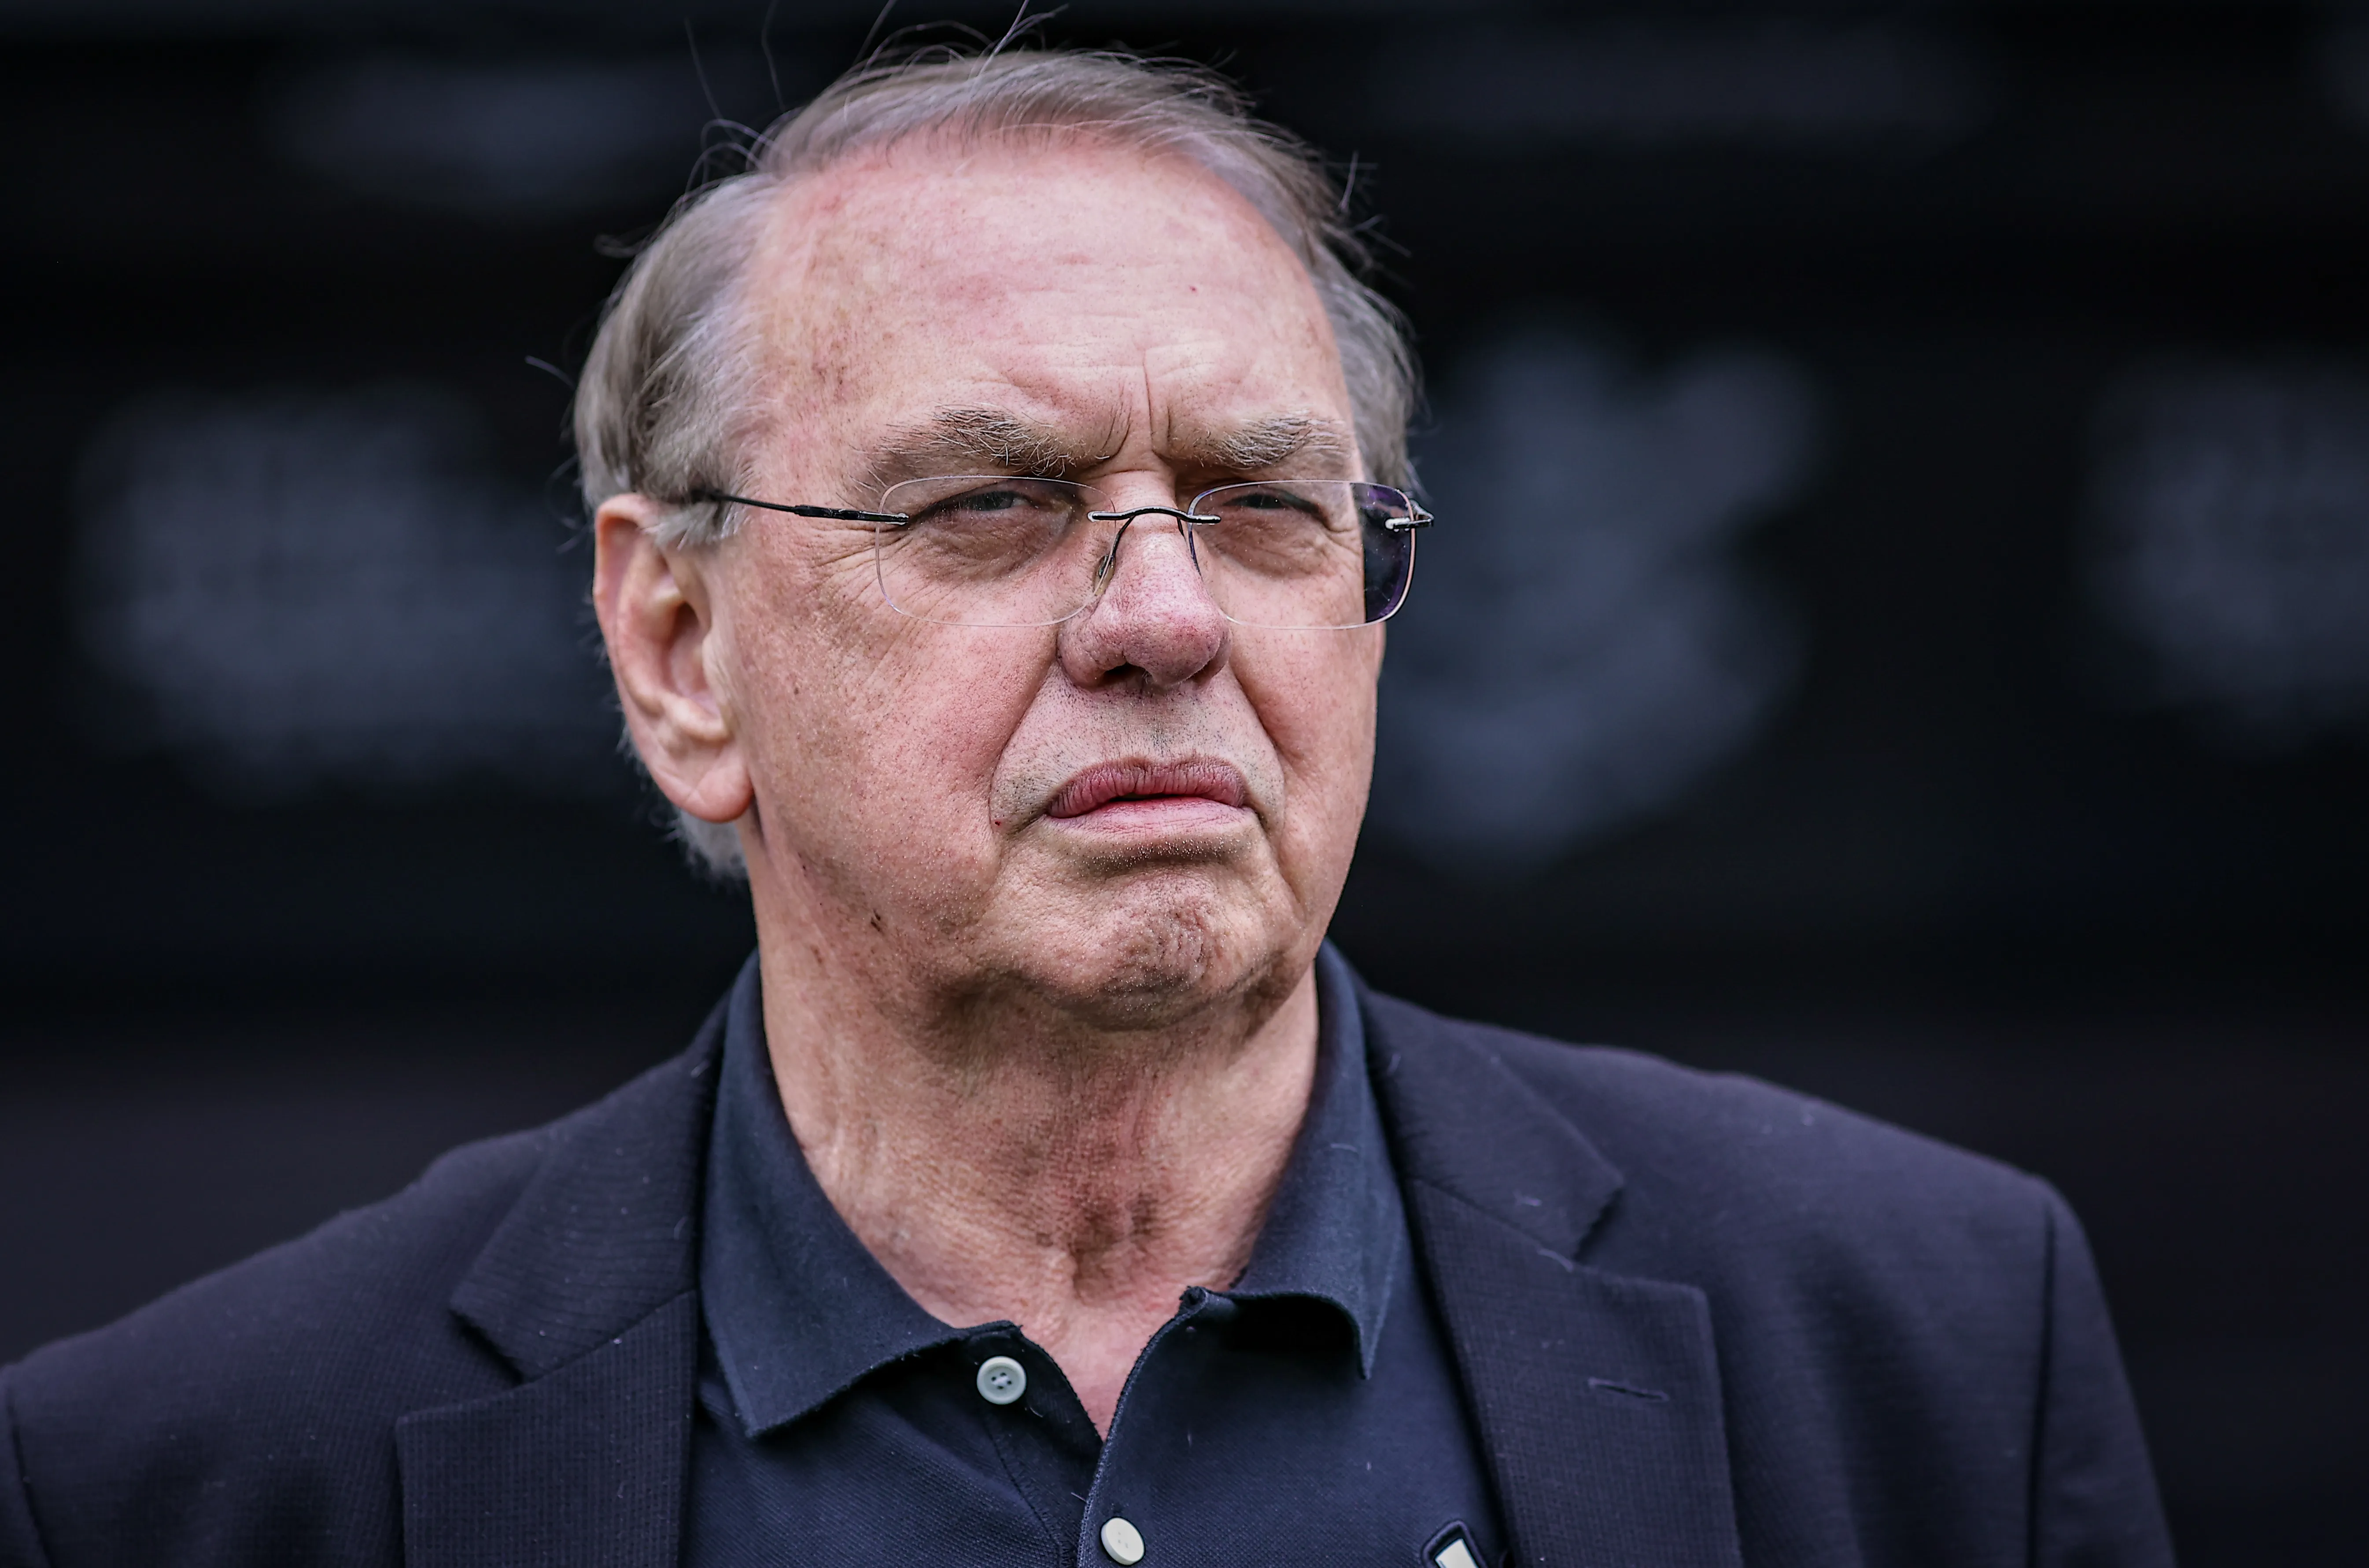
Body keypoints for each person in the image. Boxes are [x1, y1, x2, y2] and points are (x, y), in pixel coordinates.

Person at [0, 48, 2172, 1568]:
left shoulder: (1923, 1344)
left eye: (1257, 504)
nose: (1163, 616)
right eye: (988, 505)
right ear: (678, 645)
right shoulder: (191, 1481)